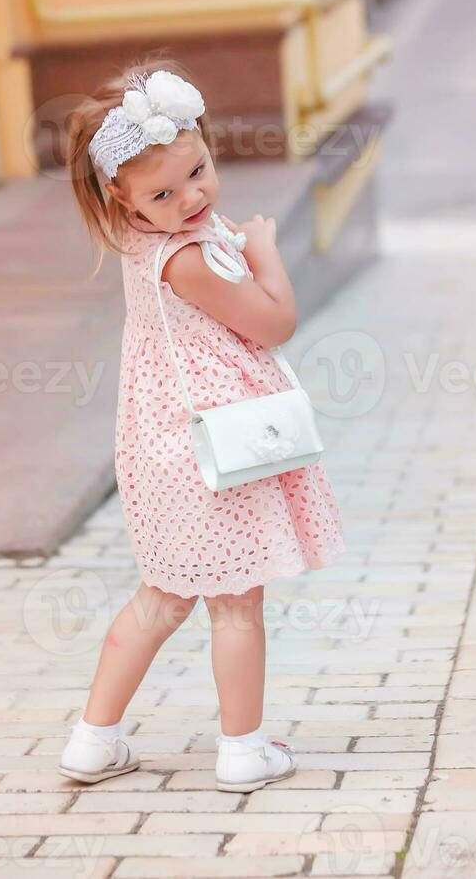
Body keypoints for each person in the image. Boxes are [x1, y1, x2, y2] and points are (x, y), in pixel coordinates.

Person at [57, 55, 347, 792]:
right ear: (125, 204)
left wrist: (225, 237)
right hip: (213, 451)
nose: (190, 197)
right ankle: (244, 750)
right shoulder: (187, 259)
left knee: (161, 595)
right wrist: (266, 253)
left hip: (164, 451)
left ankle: (93, 741)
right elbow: (274, 322)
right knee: (238, 603)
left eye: (199, 172)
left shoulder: (143, 241)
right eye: (163, 191)